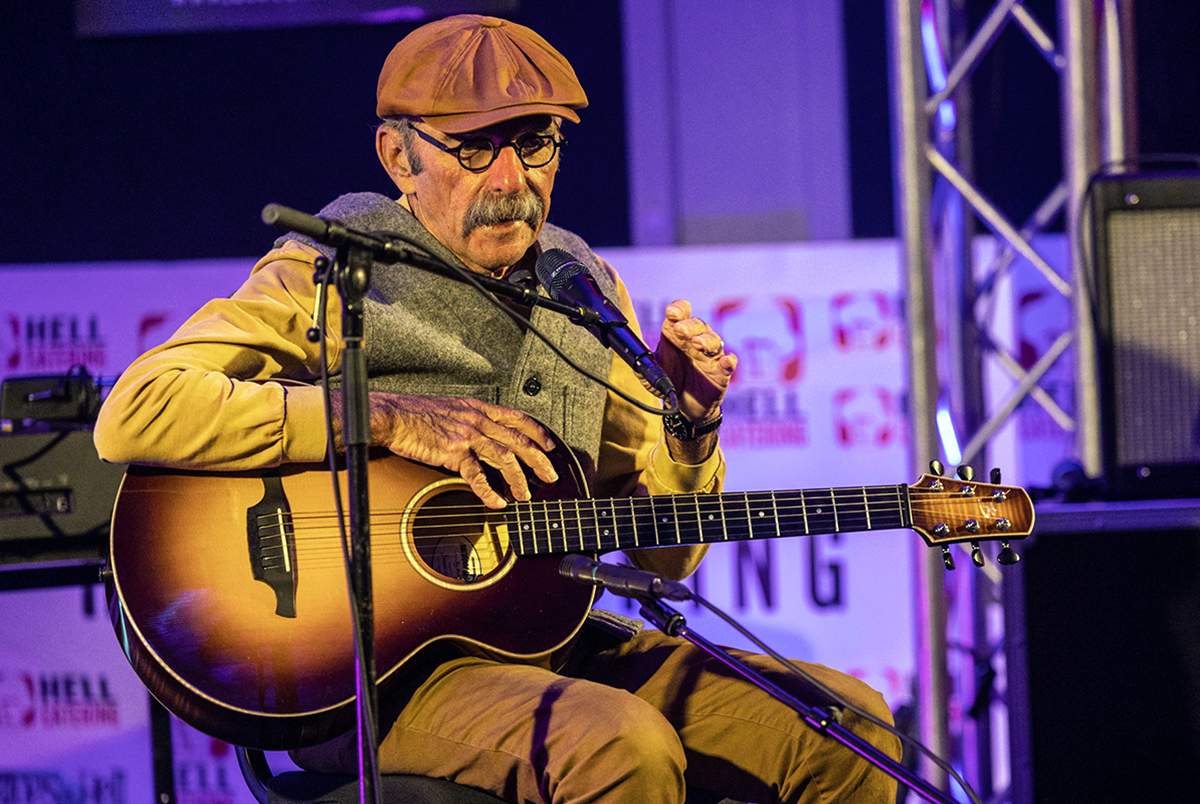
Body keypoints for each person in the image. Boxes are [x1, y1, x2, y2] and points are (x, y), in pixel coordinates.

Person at [94, 14, 901, 804]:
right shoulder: (331, 268)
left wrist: (688, 429)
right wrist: (387, 416)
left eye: (536, 143)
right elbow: (137, 410)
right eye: (474, 147)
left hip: (551, 646)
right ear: (398, 156)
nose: (512, 181)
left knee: (852, 731)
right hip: (369, 674)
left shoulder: (583, 292)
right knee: (619, 747)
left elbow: (664, 559)